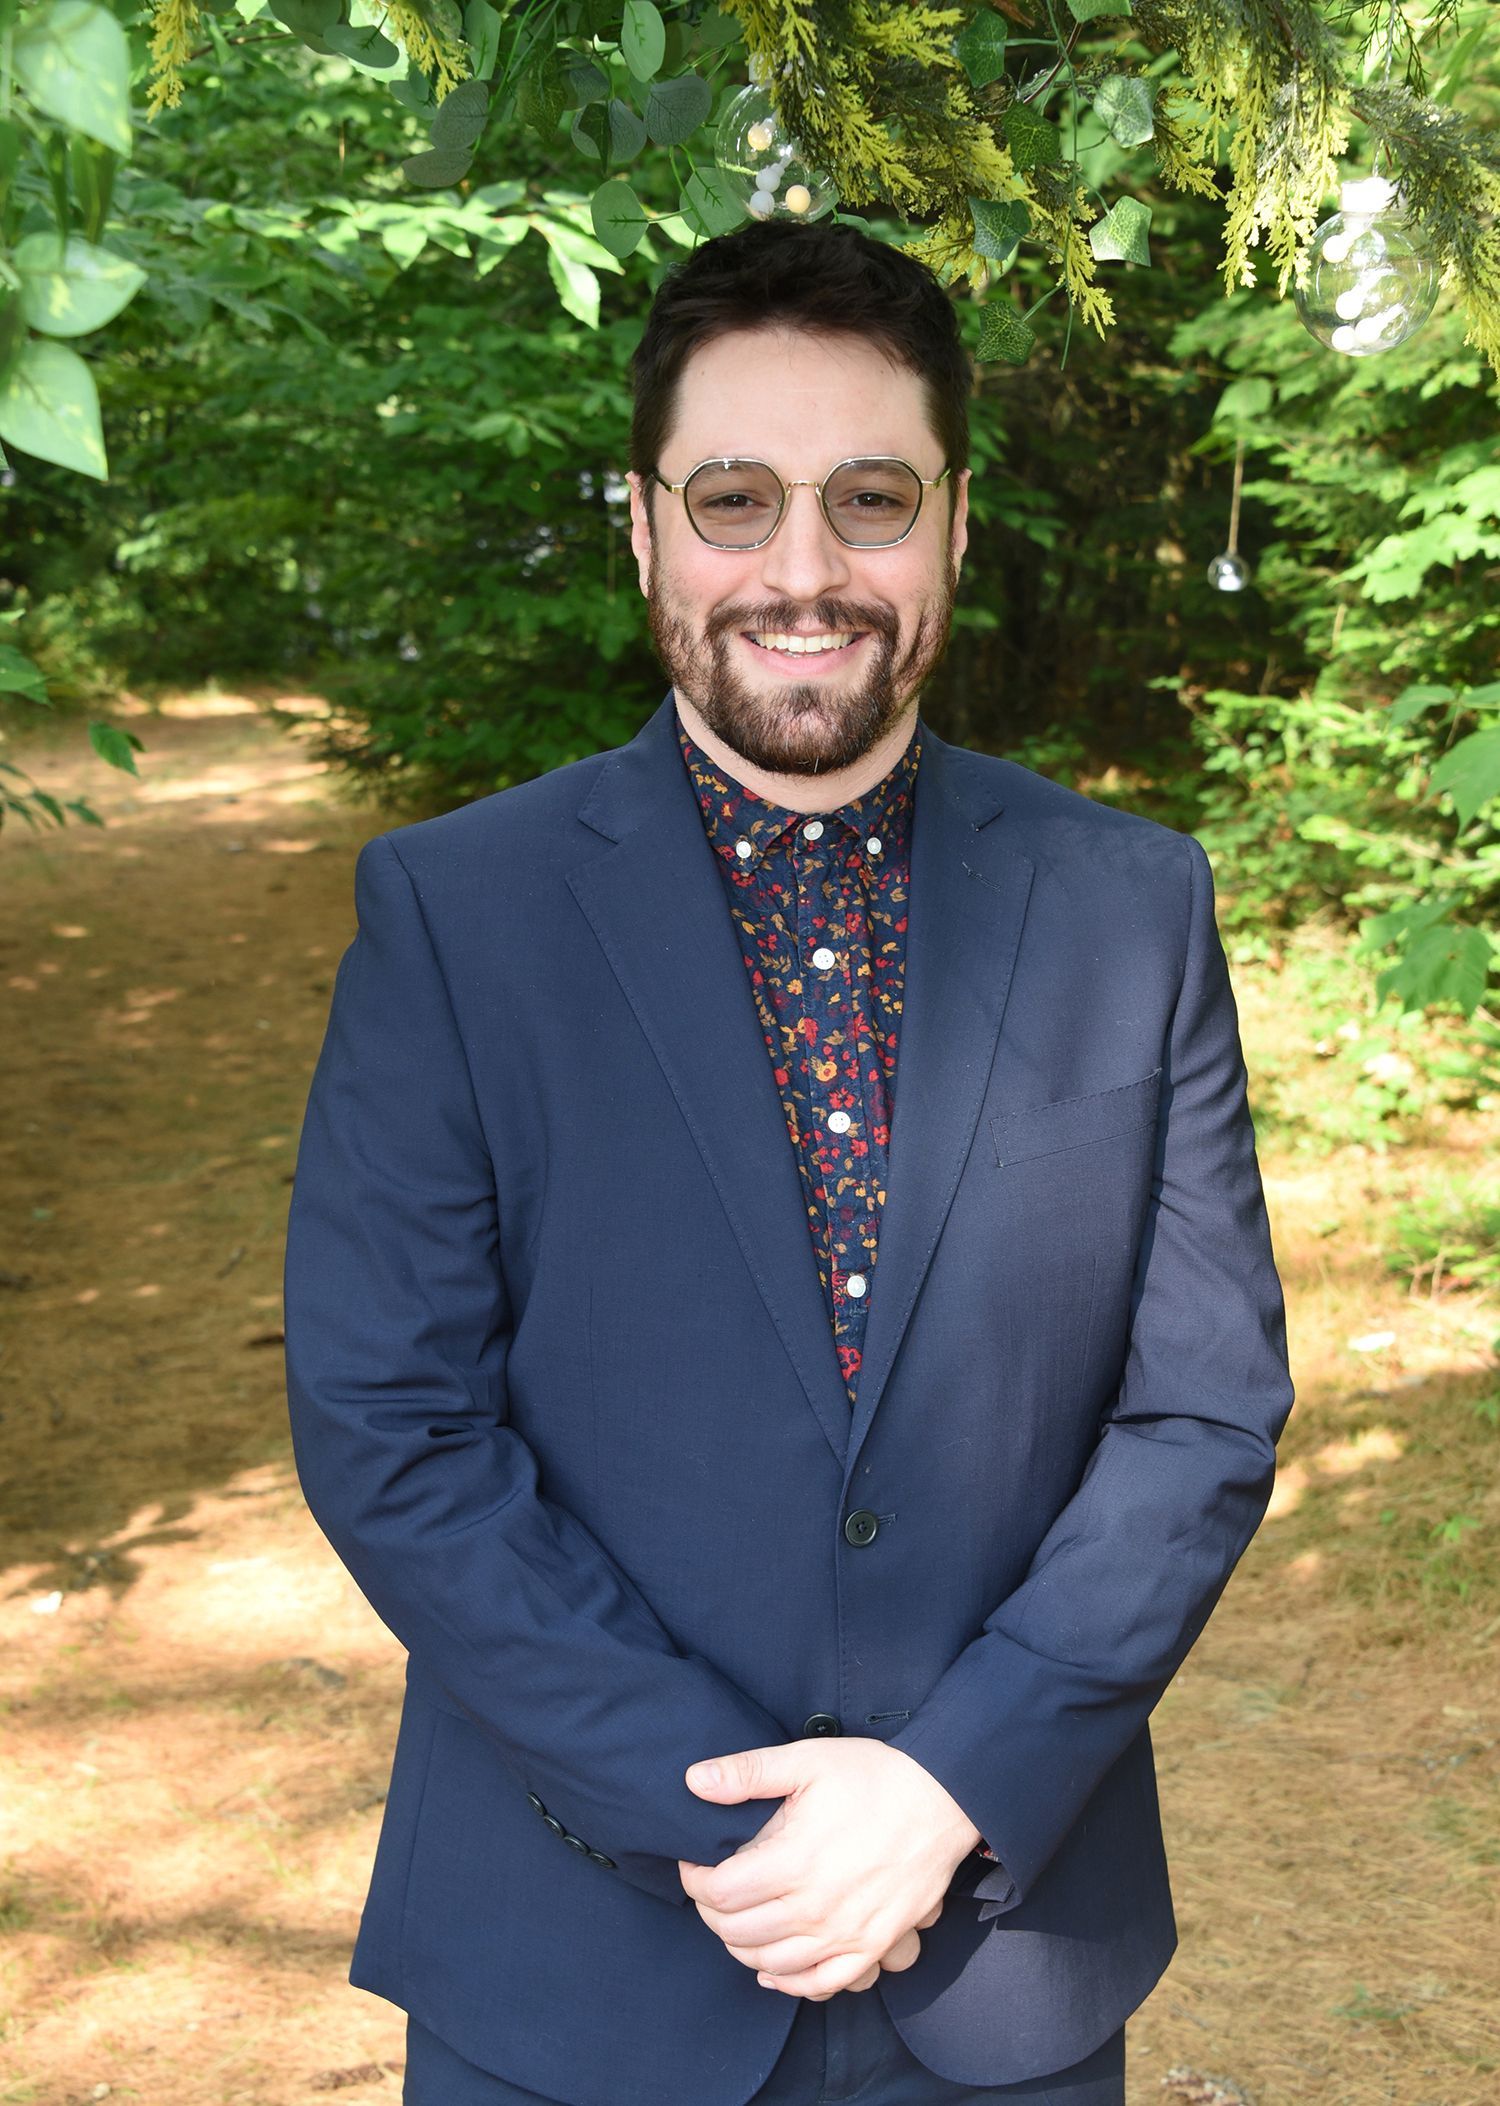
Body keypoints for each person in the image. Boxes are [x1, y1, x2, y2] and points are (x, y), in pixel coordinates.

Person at [283, 218, 1295, 2106]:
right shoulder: (457, 913)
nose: (805, 568)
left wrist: (945, 1786)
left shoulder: (1129, 907)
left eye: (872, 498)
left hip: (998, 1952)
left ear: (960, 523)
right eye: (737, 498)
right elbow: (391, 1421)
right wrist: (728, 1813)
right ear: (648, 524)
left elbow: (1203, 1412)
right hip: (573, 1960)